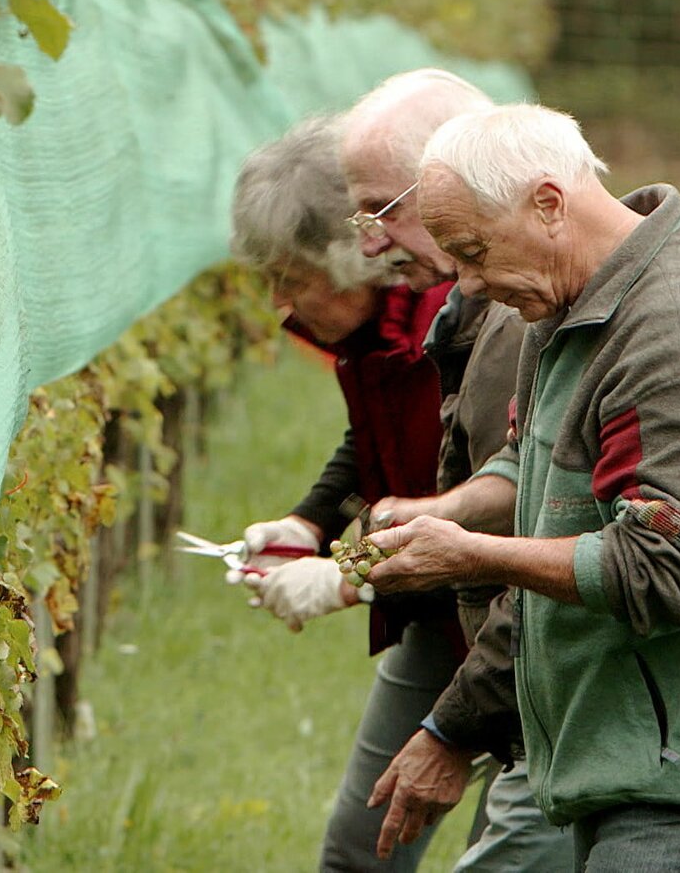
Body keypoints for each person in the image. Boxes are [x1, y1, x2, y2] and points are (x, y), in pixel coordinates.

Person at [362, 104, 680, 871]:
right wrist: (447, 512)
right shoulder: (571, 304)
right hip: (632, 748)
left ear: (548, 203)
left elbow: (671, 566)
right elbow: (542, 469)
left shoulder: (674, 337)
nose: (468, 284)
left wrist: (470, 555)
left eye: (475, 253)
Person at [339, 70, 574, 869]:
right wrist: (435, 517)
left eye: (385, 210)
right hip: (490, 642)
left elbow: (553, 544)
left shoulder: (520, 318)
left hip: (541, 670)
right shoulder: (467, 305)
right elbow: (511, 474)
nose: (370, 242)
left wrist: (452, 727)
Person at [229, 114, 465, 872]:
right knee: (362, 849)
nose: (279, 303)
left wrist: (350, 576)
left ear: (354, 256)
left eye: (290, 279)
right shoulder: (369, 337)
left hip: (526, 626)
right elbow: (378, 440)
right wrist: (310, 524)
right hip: (441, 611)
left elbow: (479, 502)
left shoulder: (451, 325)